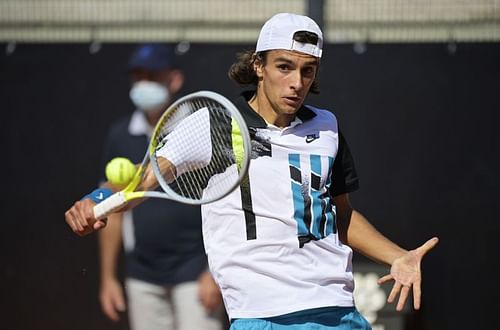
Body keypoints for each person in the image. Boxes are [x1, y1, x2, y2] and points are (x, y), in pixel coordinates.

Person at [65, 15, 438, 330]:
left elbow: (340, 214)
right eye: (284, 67)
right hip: (263, 316)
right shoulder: (215, 122)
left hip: (339, 312)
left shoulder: (327, 127)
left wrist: (397, 256)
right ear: (258, 66)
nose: (297, 82)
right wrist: (94, 204)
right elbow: (141, 184)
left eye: (308, 71)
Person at [96, 44, 223, 330]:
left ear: (174, 79)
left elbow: (227, 204)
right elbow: (114, 207)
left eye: (152, 76)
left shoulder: (199, 129)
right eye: (138, 77)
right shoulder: (120, 134)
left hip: (195, 274)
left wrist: (214, 273)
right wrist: (108, 278)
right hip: (142, 275)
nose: (143, 84)